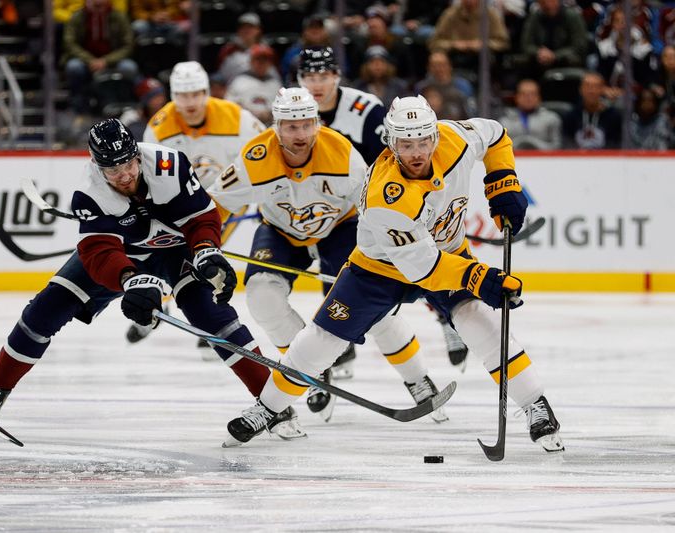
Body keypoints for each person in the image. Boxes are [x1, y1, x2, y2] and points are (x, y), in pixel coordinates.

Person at [224, 95, 564, 456]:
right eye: (406, 144)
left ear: (435, 135)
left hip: (445, 254)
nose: (417, 152)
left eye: (423, 141)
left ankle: (535, 404)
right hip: (378, 269)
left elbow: (495, 135)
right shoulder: (386, 196)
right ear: (391, 143)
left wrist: (502, 179)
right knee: (320, 340)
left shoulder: (456, 138)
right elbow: (424, 269)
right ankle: (268, 407)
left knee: (477, 320)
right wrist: (481, 278)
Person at [0, 119, 305, 442]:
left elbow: (201, 217)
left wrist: (206, 251)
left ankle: (273, 405)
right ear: (97, 166)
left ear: (137, 154)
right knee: (43, 312)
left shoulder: (170, 164)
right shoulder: (88, 193)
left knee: (213, 317)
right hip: (124, 256)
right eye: (112, 168)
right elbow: (100, 253)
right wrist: (131, 281)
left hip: (175, 249)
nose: (123, 174)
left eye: (128, 163)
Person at [207, 87, 438, 423]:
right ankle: (309, 371)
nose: (300, 134)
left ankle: (418, 378)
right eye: (290, 126)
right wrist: (203, 246)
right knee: (261, 299)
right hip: (281, 233)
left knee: (374, 307)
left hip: (341, 229)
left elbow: (375, 203)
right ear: (275, 127)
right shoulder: (254, 158)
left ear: (317, 122)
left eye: (306, 124)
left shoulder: (342, 153)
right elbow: (212, 206)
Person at [297, 45, 470, 379]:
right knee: (342, 271)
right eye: (308, 76)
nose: (315, 84)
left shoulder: (364, 109)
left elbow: (399, 161)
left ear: (336, 76)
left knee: (408, 265)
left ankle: (445, 318)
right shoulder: (297, 116)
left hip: (375, 211)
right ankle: (341, 346)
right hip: (331, 210)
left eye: (323, 75)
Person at [126, 61, 264, 345]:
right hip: (180, 206)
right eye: (182, 95)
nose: (190, 102)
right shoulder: (159, 128)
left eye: (195, 93)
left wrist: (265, 204)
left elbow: (267, 155)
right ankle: (167, 305)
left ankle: (209, 315)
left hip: (225, 204)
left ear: (206, 91)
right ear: (173, 95)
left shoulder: (237, 118)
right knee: (173, 257)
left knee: (201, 256)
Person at [60, 0, 139, 113]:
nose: (98, 3)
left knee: (129, 67)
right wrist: (90, 60)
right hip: (85, 60)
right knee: (73, 67)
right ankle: (78, 102)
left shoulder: (119, 16)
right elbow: (69, 43)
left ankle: (125, 104)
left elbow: (128, 45)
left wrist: (106, 61)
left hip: (112, 60)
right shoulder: (77, 17)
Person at [225, 43, 282, 126]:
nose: (261, 64)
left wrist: (270, 114)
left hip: (271, 128)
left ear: (270, 63)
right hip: (244, 127)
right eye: (258, 59)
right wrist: (248, 113)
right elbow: (229, 105)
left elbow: (284, 107)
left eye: (265, 60)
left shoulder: (276, 84)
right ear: (251, 61)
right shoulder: (238, 82)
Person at [562, 72, 622, 149]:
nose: (591, 91)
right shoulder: (571, 115)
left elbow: (615, 145)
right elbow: (567, 143)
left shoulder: (613, 116)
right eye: (587, 86)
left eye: (596, 87)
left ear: (603, 90)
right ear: (580, 89)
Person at [499, 79, 562, 150]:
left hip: (545, 160)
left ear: (539, 97)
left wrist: (532, 142)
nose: (528, 98)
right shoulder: (504, 122)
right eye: (524, 94)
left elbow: (557, 147)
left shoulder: (552, 118)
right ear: (516, 97)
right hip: (513, 160)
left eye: (532, 94)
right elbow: (500, 148)